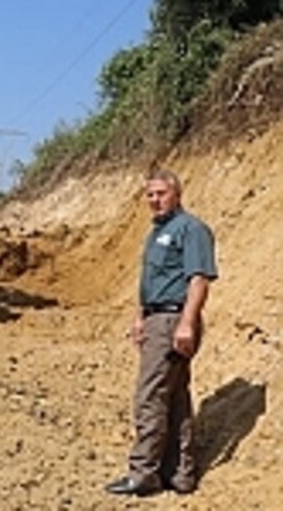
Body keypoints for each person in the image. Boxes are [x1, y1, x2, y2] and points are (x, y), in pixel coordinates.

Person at [106, 169, 218, 496]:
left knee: (150, 396)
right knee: (175, 398)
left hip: (173, 320)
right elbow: (152, 282)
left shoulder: (191, 229)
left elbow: (198, 279)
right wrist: (140, 317)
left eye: (161, 193)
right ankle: (180, 474)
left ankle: (143, 473)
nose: (155, 200)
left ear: (177, 194)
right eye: (150, 194)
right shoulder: (157, 232)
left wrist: (187, 322)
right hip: (157, 318)